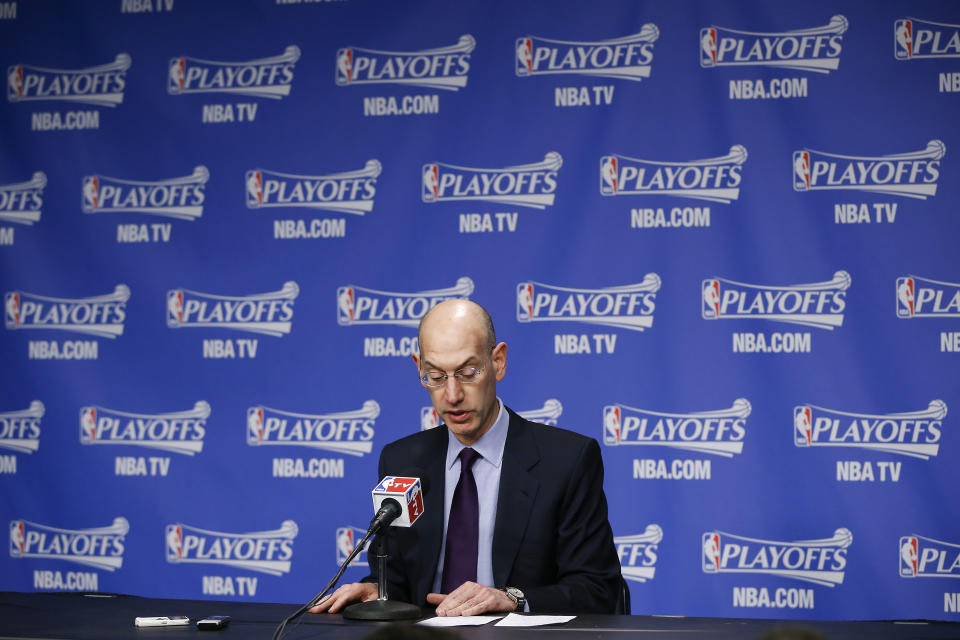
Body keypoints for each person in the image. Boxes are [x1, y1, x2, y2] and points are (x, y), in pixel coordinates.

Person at [310, 299, 621, 616]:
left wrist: (511, 598)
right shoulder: (401, 460)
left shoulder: (567, 461)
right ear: (419, 367)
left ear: (498, 361)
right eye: (435, 375)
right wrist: (378, 590)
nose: (453, 395)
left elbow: (598, 591)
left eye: (468, 372)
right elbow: (399, 581)